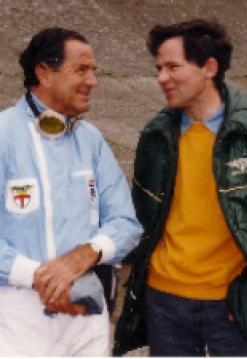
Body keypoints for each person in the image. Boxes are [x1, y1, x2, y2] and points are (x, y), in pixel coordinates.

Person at [115, 19, 247, 358]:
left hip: (233, 306)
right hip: (164, 303)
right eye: (159, 68)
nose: (161, 78)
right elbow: (141, 219)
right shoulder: (155, 136)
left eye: (173, 67)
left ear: (209, 68)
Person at [0, 27, 143, 358]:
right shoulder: (4, 135)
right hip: (16, 316)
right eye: (82, 70)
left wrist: (85, 255)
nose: (93, 81)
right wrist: (40, 278)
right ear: (44, 73)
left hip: (84, 312)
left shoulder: (91, 139)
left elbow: (126, 223)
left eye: (92, 70)